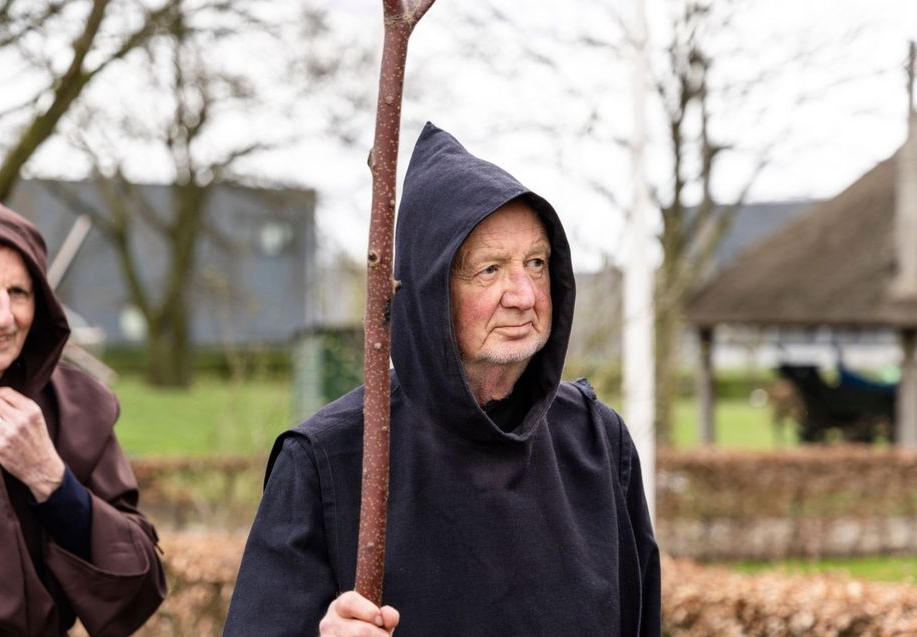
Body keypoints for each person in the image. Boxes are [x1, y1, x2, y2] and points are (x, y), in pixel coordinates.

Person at [222, 123, 660, 636]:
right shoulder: (329, 460)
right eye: (490, 270)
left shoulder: (595, 442)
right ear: (429, 289)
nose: (522, 294)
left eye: (535, 263)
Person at [0, 173, 167, 636]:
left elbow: (140, 582)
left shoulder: (76, 405)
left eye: (18, 293)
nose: (4, 316)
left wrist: (51, 479)